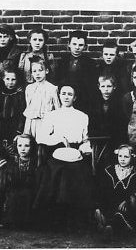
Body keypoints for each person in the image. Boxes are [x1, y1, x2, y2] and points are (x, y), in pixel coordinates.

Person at [34, 83, 94, 230]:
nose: (66, 97)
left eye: (70, 94)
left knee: (78, 172)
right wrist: (59, 139)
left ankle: (75, 219)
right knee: (55, 171)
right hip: (56, 152)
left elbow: (85, 139)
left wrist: (83, 148)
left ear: (75, 98)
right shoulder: (52, 115)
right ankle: (56, 219)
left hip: (76, 154)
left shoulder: (82, 116)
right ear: (59, 96)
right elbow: (40, 138)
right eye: (63, 93)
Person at [95, 145, 136, 240]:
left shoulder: (135, 172)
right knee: (104, 210)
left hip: (124, 205)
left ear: (132, 157)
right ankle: (104, 223)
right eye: (120, 156)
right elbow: (104, 189)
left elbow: (134, 188)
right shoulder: (110, 170)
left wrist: (126, 201)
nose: (122, 159)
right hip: (110, 202)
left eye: (126, 157)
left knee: (120, 215)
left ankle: (109, 228)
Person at [88, 74, 127, 172]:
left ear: (114, 87)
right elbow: (91, 123)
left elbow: (121, 126)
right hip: (97, 140)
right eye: (103, 86)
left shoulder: (119, 103)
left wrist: (119, 144)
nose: (106, 89)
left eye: (109, 86)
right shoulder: (93, 103)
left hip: (113, 141)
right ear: (99, 87)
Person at [56, 30, 97, 113]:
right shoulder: (62, 61)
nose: (77, 47)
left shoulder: (90, 63)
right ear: (69, 44)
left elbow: (91, 87)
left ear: (85, 46)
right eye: (74, 44)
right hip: (65, 100)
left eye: (80, 45)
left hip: (83, 102)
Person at [3, 134, 38, 229]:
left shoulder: (35, 162)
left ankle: (26, 222)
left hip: (29, 188)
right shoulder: (12, 162)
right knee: (13, 195)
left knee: (28, 195)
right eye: (20, 146)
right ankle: (13, 222)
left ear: (32, 147)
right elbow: (8, 178)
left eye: (26, 146)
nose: (23, 149)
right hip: (14, 187)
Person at [23, 56, 60, 144]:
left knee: (42, 145)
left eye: (40, 70)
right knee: (30, 144)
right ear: (31, 73)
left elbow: (57, 109)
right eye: (34, 71)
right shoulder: (29, 88)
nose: (37, 74)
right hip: (31, 122)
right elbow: (28, 106)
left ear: (46, 71)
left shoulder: (52, 88)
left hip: (45, 123)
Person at [0, 66, 26, 147]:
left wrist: (19, 130)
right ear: (3, 79)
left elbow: (22, 112)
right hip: (0, 126)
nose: (10, 82)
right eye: (7, 79)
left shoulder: (19, 94)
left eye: (13, 79)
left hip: (14, 126)